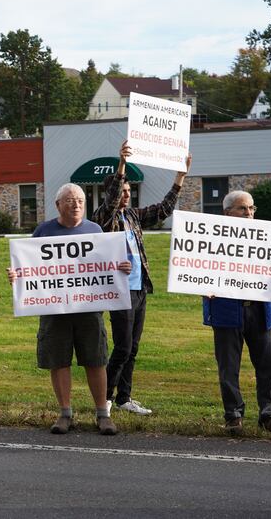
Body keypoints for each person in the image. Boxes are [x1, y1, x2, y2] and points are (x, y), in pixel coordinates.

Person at [8, 183, 131, 435]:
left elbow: (108, 264)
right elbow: (30, 267)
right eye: (70, 200)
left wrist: (121, 268)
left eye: (80, 201)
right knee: (58, 360)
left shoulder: (95, 230)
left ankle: (103, 414)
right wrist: (17, 275)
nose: (75, 205)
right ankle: (65, 414)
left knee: (96, 359)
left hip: (89, 309)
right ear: (58, 205)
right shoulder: (44, 231)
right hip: (54, 310)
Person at [91, 142, 191, 416]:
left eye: (128, 191)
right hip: (119, 290)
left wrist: (179, 179)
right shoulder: (104, 217)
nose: (125, 195)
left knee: (133, 347)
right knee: (122, 346)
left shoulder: (133, 216)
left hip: (139, 288)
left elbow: (162, 210)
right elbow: (110, 200)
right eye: (121, 191)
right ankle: (106, 399)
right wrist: (121, 165)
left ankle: (125, 397)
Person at [203, 190, 271, 435]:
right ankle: (233, 415)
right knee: (228, 367)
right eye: (243, 209)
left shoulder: (266, 237)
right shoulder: (210, 238)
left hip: (259, 311)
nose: (249, 213)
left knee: (267, 365)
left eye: (252, 208)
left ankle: (269, 414)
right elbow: (197, 270)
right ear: (227, 212)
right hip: (226, 311)